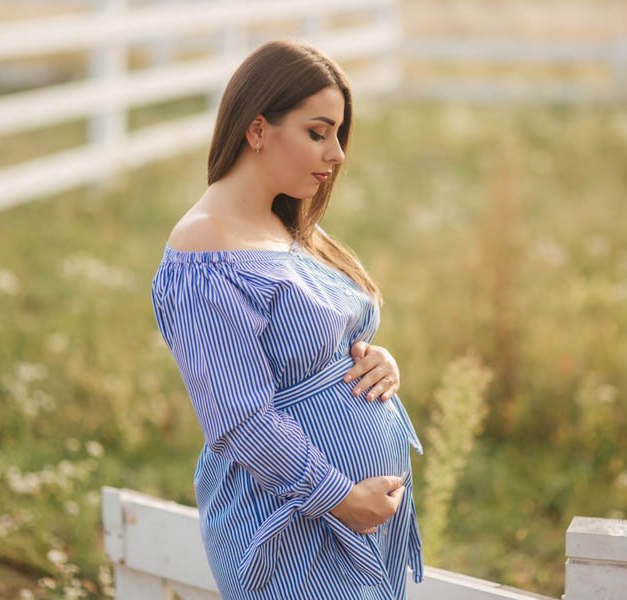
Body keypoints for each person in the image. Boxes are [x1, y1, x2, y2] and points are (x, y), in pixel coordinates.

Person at [150, 40, 424, 600]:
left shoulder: (287, 226)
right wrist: (342, 499)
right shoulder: (205, 248)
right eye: (317, 132)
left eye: (338, 135)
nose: (338, 154)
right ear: (257, 130)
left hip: (352, 516)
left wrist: (378, 361)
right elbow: (241, 420)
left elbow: (325, 339)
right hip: (287, 527)